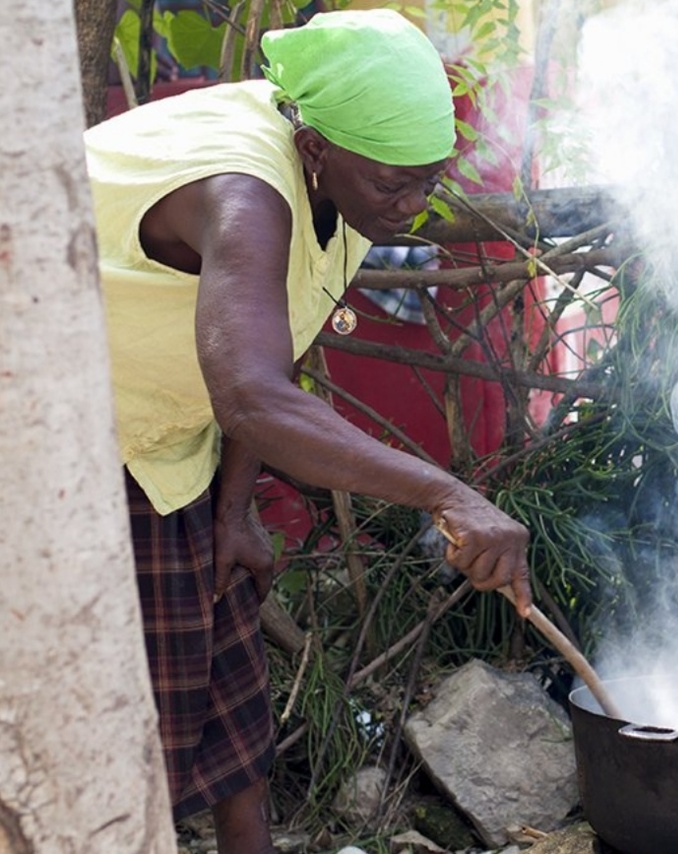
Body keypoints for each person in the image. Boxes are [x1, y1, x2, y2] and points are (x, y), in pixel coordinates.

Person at [84, 9, 533, 853]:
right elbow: (251, 395)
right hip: (68, 445)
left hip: (163, 440)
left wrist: (234, 511)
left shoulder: (347, 181)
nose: (410, 207)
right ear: (317, 149)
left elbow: (273, 343)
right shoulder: (242, 192)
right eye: (392, 186)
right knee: (114, 744)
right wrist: (445, 490)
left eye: (428, 181)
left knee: (232, 706)